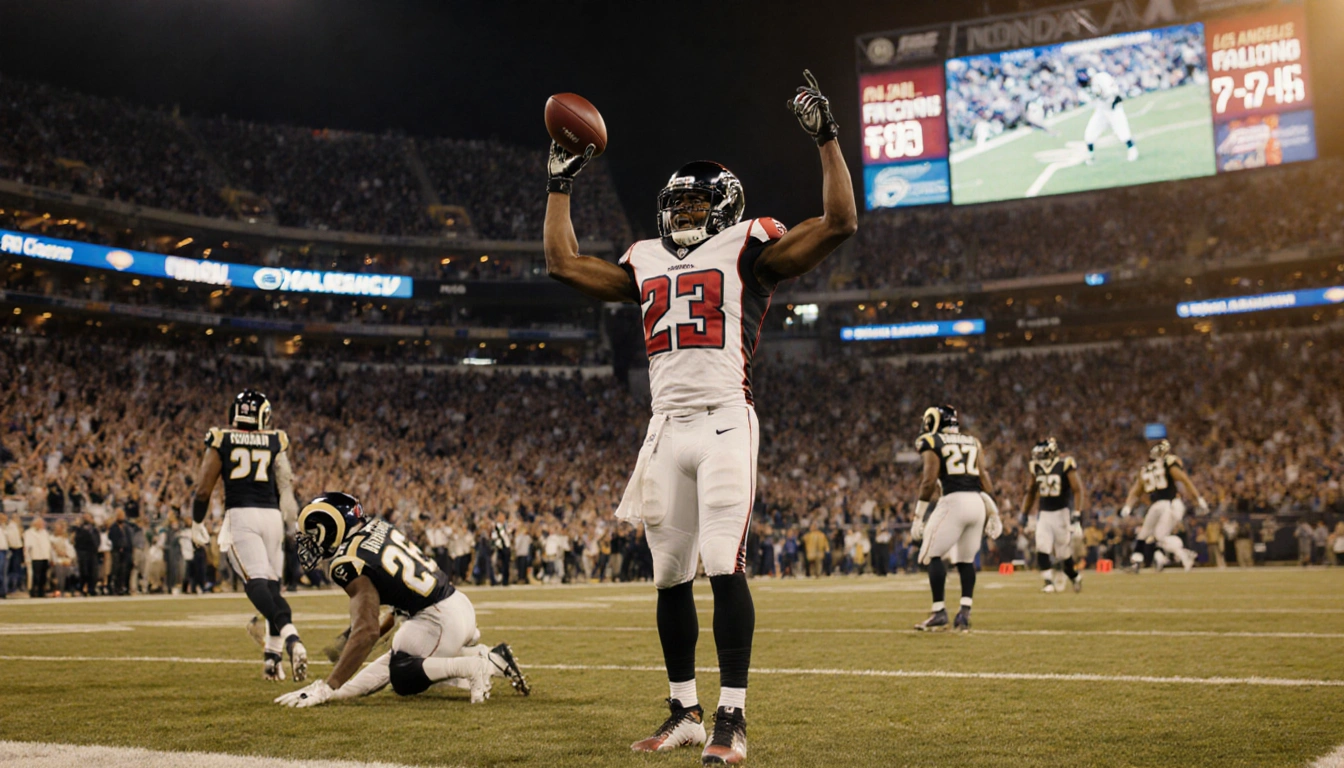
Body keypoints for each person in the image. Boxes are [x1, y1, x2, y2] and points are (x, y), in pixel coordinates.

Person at [543, 68, 856, 764]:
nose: (683, 211)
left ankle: (732, 718)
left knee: (722, 561)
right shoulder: (643, 257)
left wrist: (827, 140)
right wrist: (560, 181)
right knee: (668, 575)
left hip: (722, 421)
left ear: (725, 205)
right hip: (664, 430)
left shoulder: (750, 245)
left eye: (695, 203)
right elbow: (563, 264)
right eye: (676, 202)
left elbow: (840, 222)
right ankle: (683, 710)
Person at [275, 492, 529, 708]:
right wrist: (333, 689)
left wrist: (326, 685)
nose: (309, 544)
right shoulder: (377, 527)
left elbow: (367, 632)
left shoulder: (348, 561)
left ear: (333, 528)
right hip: (455, 606)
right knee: (390, 661)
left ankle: (475, 666)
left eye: (312, 535)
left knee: (402, 674)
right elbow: (391, 612)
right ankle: (492, 658)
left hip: (437, 620)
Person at [192, 390, 307, 681]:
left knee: (255, 584)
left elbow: (204, 489)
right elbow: (285, 483)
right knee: (272, 587)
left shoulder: (222, 438)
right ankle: (272, 656)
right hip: (272, 518)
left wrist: (196, 521)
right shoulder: (274, 439)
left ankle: (291, 638)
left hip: (242, 514)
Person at [911, 405, 1002, 633]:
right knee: (965, 560)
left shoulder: (932, 441)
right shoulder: (973, 441)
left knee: (931, 555)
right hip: (977, 503)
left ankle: (939, 612)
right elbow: (983, 475)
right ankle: (964, 613)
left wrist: (918, 516)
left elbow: (929, 481)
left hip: (953, 503)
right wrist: (994, 510)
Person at [1120, 439, 1210, 573]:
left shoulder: (1148, 468)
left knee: (1155, 536)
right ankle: (1140, 561)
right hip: (1164, 503)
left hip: (1168, 503)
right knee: (1148, 534)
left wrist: (1127, 507)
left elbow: (1135, 491)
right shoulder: (1165, 463)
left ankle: (1180, 554)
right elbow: (1184, 479)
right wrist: (1198, 498)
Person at [1019, 438, 1086, 593]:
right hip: (1044, 513)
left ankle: (1075, 576)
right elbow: (1031, 492)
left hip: (1061, 513)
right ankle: (1048, 582)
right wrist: (1024, 512)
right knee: (1042, 546)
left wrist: (1077, 512)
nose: (1039, 458)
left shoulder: (1065, 465)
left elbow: (1077, 490)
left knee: (1063, 554)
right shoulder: (1036, 467)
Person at [1077, 67, 1137, 164]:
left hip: (1113, 108)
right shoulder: (1084, 91)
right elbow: (1090, 98)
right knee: (1089, 134)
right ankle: (1090, 156)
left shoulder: (1102, 78)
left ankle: (1132, 150)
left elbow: (1114, 93)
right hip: (1101, 110)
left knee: (1123, 133)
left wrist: (1114, 98)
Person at [23, 517, 52, 597]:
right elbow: (27, 547)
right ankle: (33, 591)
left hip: (44, 556)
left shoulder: (45, 532)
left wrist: (49, 556)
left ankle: (41, 592)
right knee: (35, 576)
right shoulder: (29, 533)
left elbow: (48, 545)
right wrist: (27, 557)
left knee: (43, 576)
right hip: (35, 556)